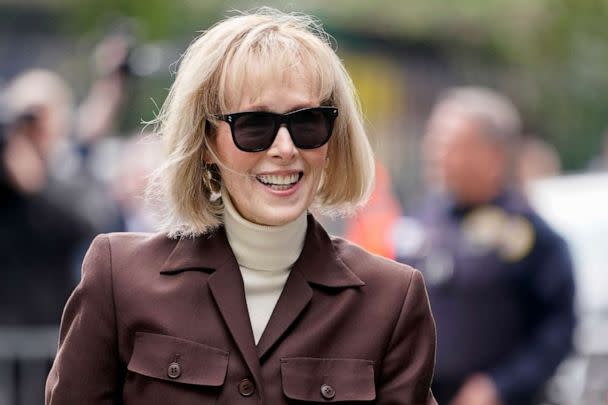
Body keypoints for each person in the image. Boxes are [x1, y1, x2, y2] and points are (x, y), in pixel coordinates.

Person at [46, 9, 437, 405]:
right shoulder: (119, 276)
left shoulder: (392, 298)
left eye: (308, 123)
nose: (285, 149)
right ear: (207, 144)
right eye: (254, 125)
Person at [396, 87, 576, 405]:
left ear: (493, 155)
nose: (436, 154)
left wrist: (501, 386)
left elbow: (557, 331)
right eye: (434, 142)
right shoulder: (419, 220)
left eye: (450, 145)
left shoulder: (531, 236)